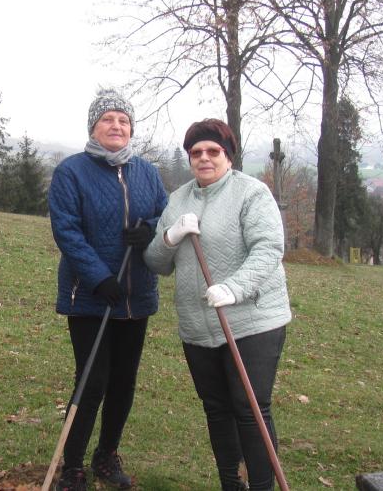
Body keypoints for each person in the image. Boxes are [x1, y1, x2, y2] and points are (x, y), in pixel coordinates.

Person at [144, 119, 291, 491]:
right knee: (217, 409)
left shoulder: (251, 193)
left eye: (213, 151)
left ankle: (259, 487)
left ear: (228, 155)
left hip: (253, 318)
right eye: (197, 152)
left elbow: (269, 248)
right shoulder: (178, 200)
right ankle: (231, 484)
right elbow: (155, 263)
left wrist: (234, 288)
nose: (204, 158)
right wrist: (170, 236)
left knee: (250, 408)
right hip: (198, 326)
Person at [48, 88, 168, 491]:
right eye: (108, 120)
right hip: (91, 296)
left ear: (131, 130)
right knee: (92, 379)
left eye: (123, 121)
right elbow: (66, 230)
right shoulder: (72, 171)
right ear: (93, 127)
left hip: (137, 297)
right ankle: (73, 464)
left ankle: (106, 454)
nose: (116, 126)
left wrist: (149, 229)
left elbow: (162, 214)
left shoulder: (147, 172)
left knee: (123, 381)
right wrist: (99, 276)